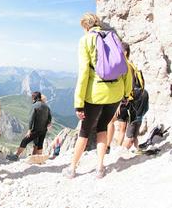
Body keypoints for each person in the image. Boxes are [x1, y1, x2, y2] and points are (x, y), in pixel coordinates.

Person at [63, 13, 132, 179]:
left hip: (95, 94)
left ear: (85, 26)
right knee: (103, 127)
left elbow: (84, 73)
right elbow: (125, 68)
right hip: (116, 93)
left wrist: (79, 102)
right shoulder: (113, 37)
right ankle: (100, 167)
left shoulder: (86, 40)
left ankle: (72, 168)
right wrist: (126, 93)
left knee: (85, 131)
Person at [7, 91, 52, 161]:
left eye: (32, 98)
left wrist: (29, 130)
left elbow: (31, 118)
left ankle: (16, 156)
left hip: (36, 129)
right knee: (40, 144)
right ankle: (39, 159)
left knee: (24, 141)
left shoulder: (34, 106)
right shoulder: (46, 106)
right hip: (44, 130)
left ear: (34, 97)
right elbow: (49, 118)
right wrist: (48, 123)